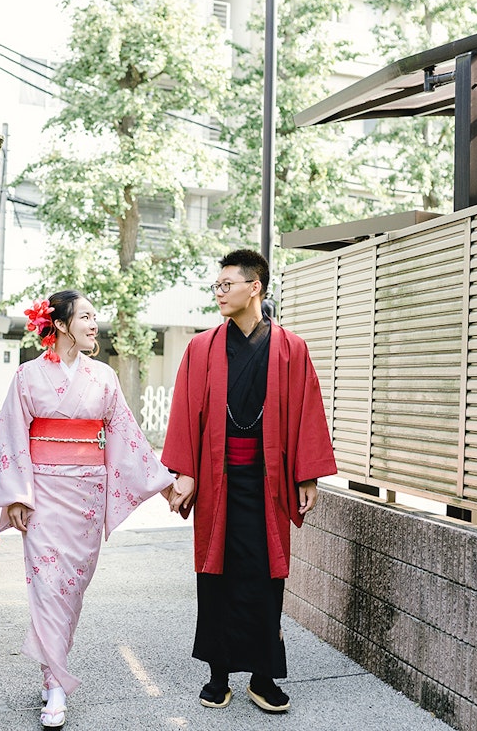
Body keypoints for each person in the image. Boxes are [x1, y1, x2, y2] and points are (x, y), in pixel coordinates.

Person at [0, 290, 177, 729]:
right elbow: (12, 436)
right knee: (48, 587)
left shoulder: (104, 377)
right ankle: (55, 684)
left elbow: (127, 435)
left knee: (69, 590)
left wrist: (162, 482)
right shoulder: (28, 377)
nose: (95, 324)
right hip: (44, 496)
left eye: (95, 316)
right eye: (86, 316)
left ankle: (52, 668)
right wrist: (17, 495)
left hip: (87, 495)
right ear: (62, 324)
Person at [162, 248, 337, 714]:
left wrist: (307, 475)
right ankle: (218, 675)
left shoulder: (290, 347)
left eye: (227, 285)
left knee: (265, 578)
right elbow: (185, 414)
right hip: (219, 479)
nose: (219, 293)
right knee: (215, 573)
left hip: (269, 481)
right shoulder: (201, 348)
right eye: (216, 286)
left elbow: (306, 413)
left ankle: (262, 677)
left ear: (254, 287)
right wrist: (186, 471)